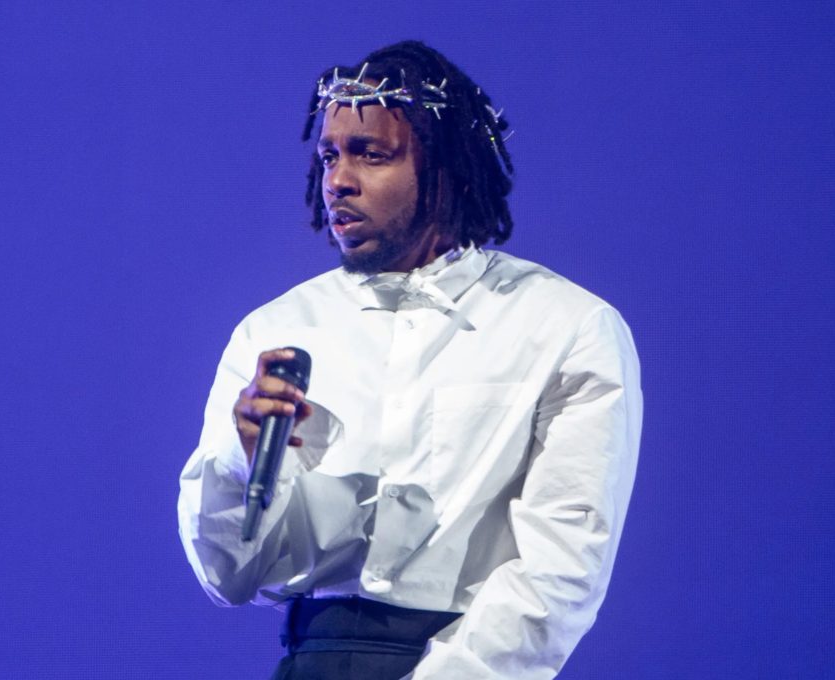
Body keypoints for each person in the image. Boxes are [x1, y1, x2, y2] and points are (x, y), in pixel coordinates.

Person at [178, 40, 642, 679]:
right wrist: (241, 461)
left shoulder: (565, 327)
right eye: (329, 156)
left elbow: (560, 572)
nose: (338, 180)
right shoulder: (275, 332)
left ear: (447, 169)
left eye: (371, 154)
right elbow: (227, 577)